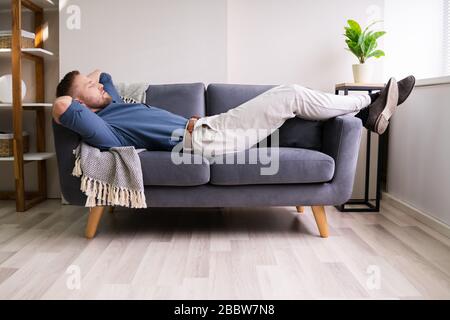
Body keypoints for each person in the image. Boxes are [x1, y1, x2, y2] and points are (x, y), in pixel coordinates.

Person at [52, 69, 415, 157]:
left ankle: (366, 110)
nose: (98, 85)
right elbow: (62, 106)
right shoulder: (106, 128)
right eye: (88, 87)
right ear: (81, 105)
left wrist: (89, 83)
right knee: (288, 94)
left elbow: (105, 77)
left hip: (210, 127)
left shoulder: (112, 104)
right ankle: (368, 104)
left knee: (289, 98)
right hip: (202, 139)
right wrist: (77, 93)